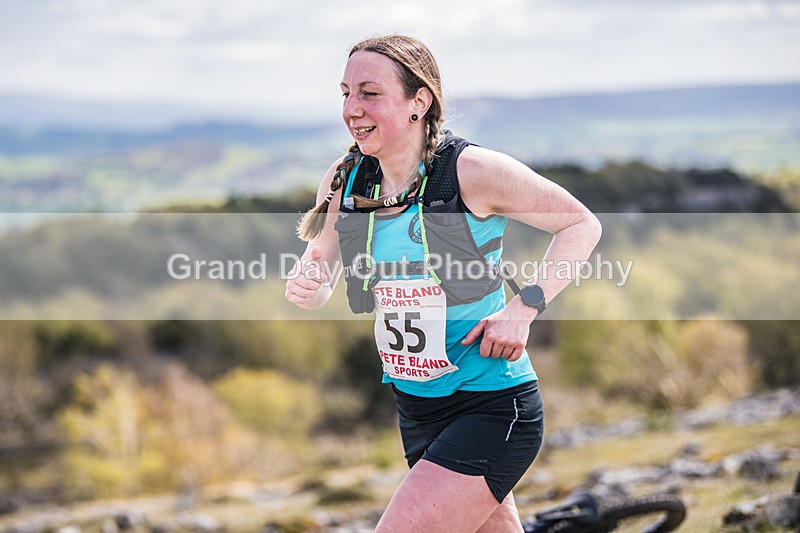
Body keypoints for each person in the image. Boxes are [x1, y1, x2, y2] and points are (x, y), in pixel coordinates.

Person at [285, 34, 602, 533]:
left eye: (370, 93)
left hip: (491, 404)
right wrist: (311, 285)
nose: (351, 108)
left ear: (420, 101)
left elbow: (581, 225)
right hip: (416, 409)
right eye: (345, 93)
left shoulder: (471, 171)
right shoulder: (346, 179)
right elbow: (321, 262)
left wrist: (523, 308)